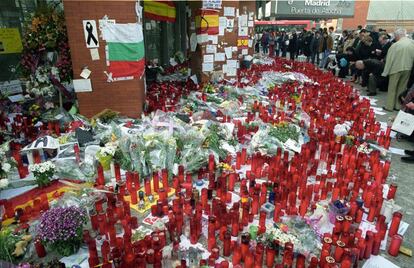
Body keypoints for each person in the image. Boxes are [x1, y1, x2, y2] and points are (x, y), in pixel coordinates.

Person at [382, 28, 414, 111]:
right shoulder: (412, 43)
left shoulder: (395, 45)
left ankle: (389, 106)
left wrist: (385, 72)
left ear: (397, 36)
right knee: (402, 88)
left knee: (392, 88)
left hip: (395, 68)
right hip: (408, 68)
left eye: (395, 36)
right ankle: (398, 106)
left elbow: (389, 59)